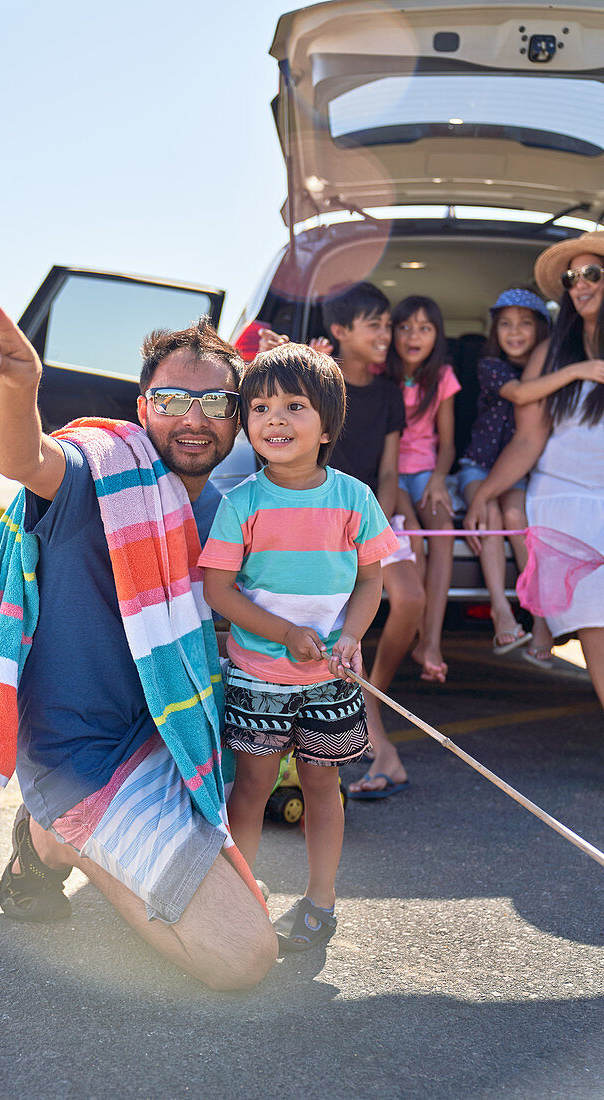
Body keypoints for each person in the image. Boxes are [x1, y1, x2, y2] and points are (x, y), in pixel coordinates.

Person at [0, 304, 278, 992]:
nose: (192, 417)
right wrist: (16, 391)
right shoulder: (102, 475)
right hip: (81, 755)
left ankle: (47, 840)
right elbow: (23, 456)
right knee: (243, 957)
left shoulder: (226, 509)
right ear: (143, 408)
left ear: (237, 416)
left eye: (215, 402)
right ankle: (65, 829)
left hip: (168, 737)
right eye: (171, 399)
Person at [198, 343, 398, 950]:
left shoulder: (355, 499)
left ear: (328, 424)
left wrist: (351, 639)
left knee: (322, 787)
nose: (274, 419)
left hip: (333, 680)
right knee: (253, 788)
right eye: (258, 407)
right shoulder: (242, 503)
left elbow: (370, 582)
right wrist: (285, 634)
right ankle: (241, 899)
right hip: (259, 676)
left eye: (293, 406)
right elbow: (217, 590)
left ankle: (321, 903)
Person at [254, 282, 421, 799]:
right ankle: (379, 743)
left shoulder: (390, 393)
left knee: (409, 599)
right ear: (342, 332)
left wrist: (382, 516)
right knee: (346, 625)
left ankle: (372, 700)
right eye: (376, 324)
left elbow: (390, 470)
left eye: (388, 325)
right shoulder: (316, 384)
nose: (387, 335)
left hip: (368, 514)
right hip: (319, 526)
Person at [465, 232, 604, 708]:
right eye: (571, 278)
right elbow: (528, 438)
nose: (580, 284)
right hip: (561, 506)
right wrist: (483, 496)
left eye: (592, 274)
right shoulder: (555, 353)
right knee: (597, 634)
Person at [457, 288, 567, 664]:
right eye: (505, 324)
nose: (514, 332)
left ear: (541, 330)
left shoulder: (549, 368)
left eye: (524, 323)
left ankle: (540, 618)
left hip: (517, 473)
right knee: (488, 516)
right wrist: (577, 370)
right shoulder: (491, 366)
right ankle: (500, 610)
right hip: (479, 466)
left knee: (517, 518)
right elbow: (520, 394)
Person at [384, 296, 461, 683]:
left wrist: (437, 479)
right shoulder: (381, 372)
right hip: (388, 473)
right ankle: (417, 635)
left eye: (425, 328)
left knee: (443, 531)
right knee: (412, 535)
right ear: (391, 332)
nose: (414, 336)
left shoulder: (442, 376)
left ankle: (431, 640)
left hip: (426, 472)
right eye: (405, 327)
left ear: (437, 336)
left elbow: (447, 443)